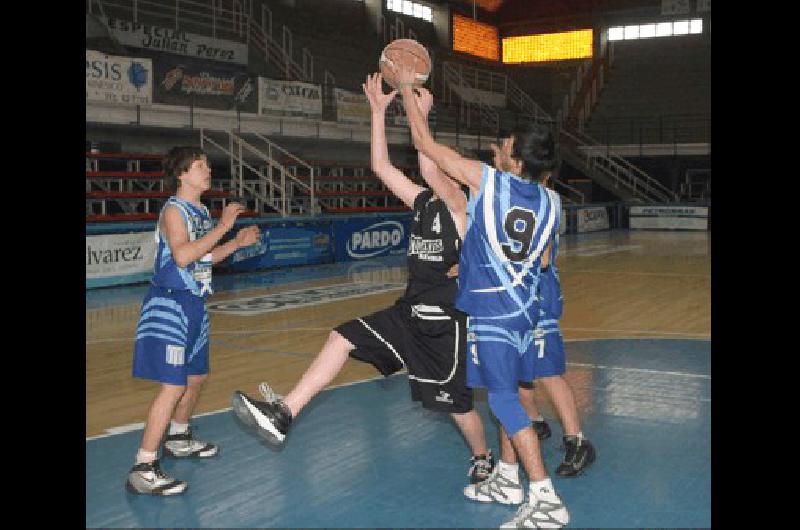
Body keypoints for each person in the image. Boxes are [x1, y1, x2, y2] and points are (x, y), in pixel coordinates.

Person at [230, 73, 495, 485]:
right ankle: (284, 413)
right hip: (408, 314)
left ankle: (482, 456)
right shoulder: (423, 203)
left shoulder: (461, 204)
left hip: (446, 325)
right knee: (341, 336)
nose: (433, 170)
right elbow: (381, 166)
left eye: (442, 167)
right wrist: (376, 112)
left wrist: (413, 105)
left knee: (457, 408)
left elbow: (429, 161)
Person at [394, 60, 569, 528]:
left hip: (492, 309)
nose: (497, 147)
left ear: (516, 158)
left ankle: (545, 497)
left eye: (505, 145)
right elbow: (545, 259)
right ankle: (509, 477)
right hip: (526, 311)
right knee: (509, 392)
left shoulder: (491, 182)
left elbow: (424, 146)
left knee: (505, 403)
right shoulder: (552, 202)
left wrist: (411, 95)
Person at [126, 146, 260, 496]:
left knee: (196, 377)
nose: (207, 170)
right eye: (199, 166)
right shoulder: (174, 210)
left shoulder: (199, 209)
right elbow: (184, 255)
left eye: (207, 165)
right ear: (182, 175)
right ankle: (143, 466)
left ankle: (179, 436)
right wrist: (225, 225)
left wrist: (235, 243)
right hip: (170, 306)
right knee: (173, 385)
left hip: (195, 305)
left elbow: (204, 257)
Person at [519, 175, 596, 477]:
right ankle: (536, 421)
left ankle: (578, 442)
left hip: (537, 293)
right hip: (513, 294)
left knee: (547, 372)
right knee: (513, 367)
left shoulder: (542, 199)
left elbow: (542, 258)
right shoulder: (507, 194)